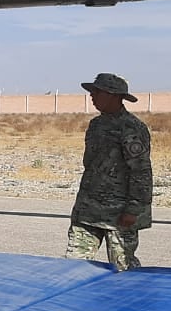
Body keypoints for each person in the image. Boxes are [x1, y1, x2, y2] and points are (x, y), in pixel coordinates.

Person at [65, 73, 153, 272]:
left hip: (119, 214)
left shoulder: (131, 128)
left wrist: (133, 209)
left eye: (97, 92)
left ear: (113, 95)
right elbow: (91, 164)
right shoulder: (96, 125)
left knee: (123, 269)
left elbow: (141, 171)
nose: (92, 96)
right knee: (73, 267)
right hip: (88, 211)